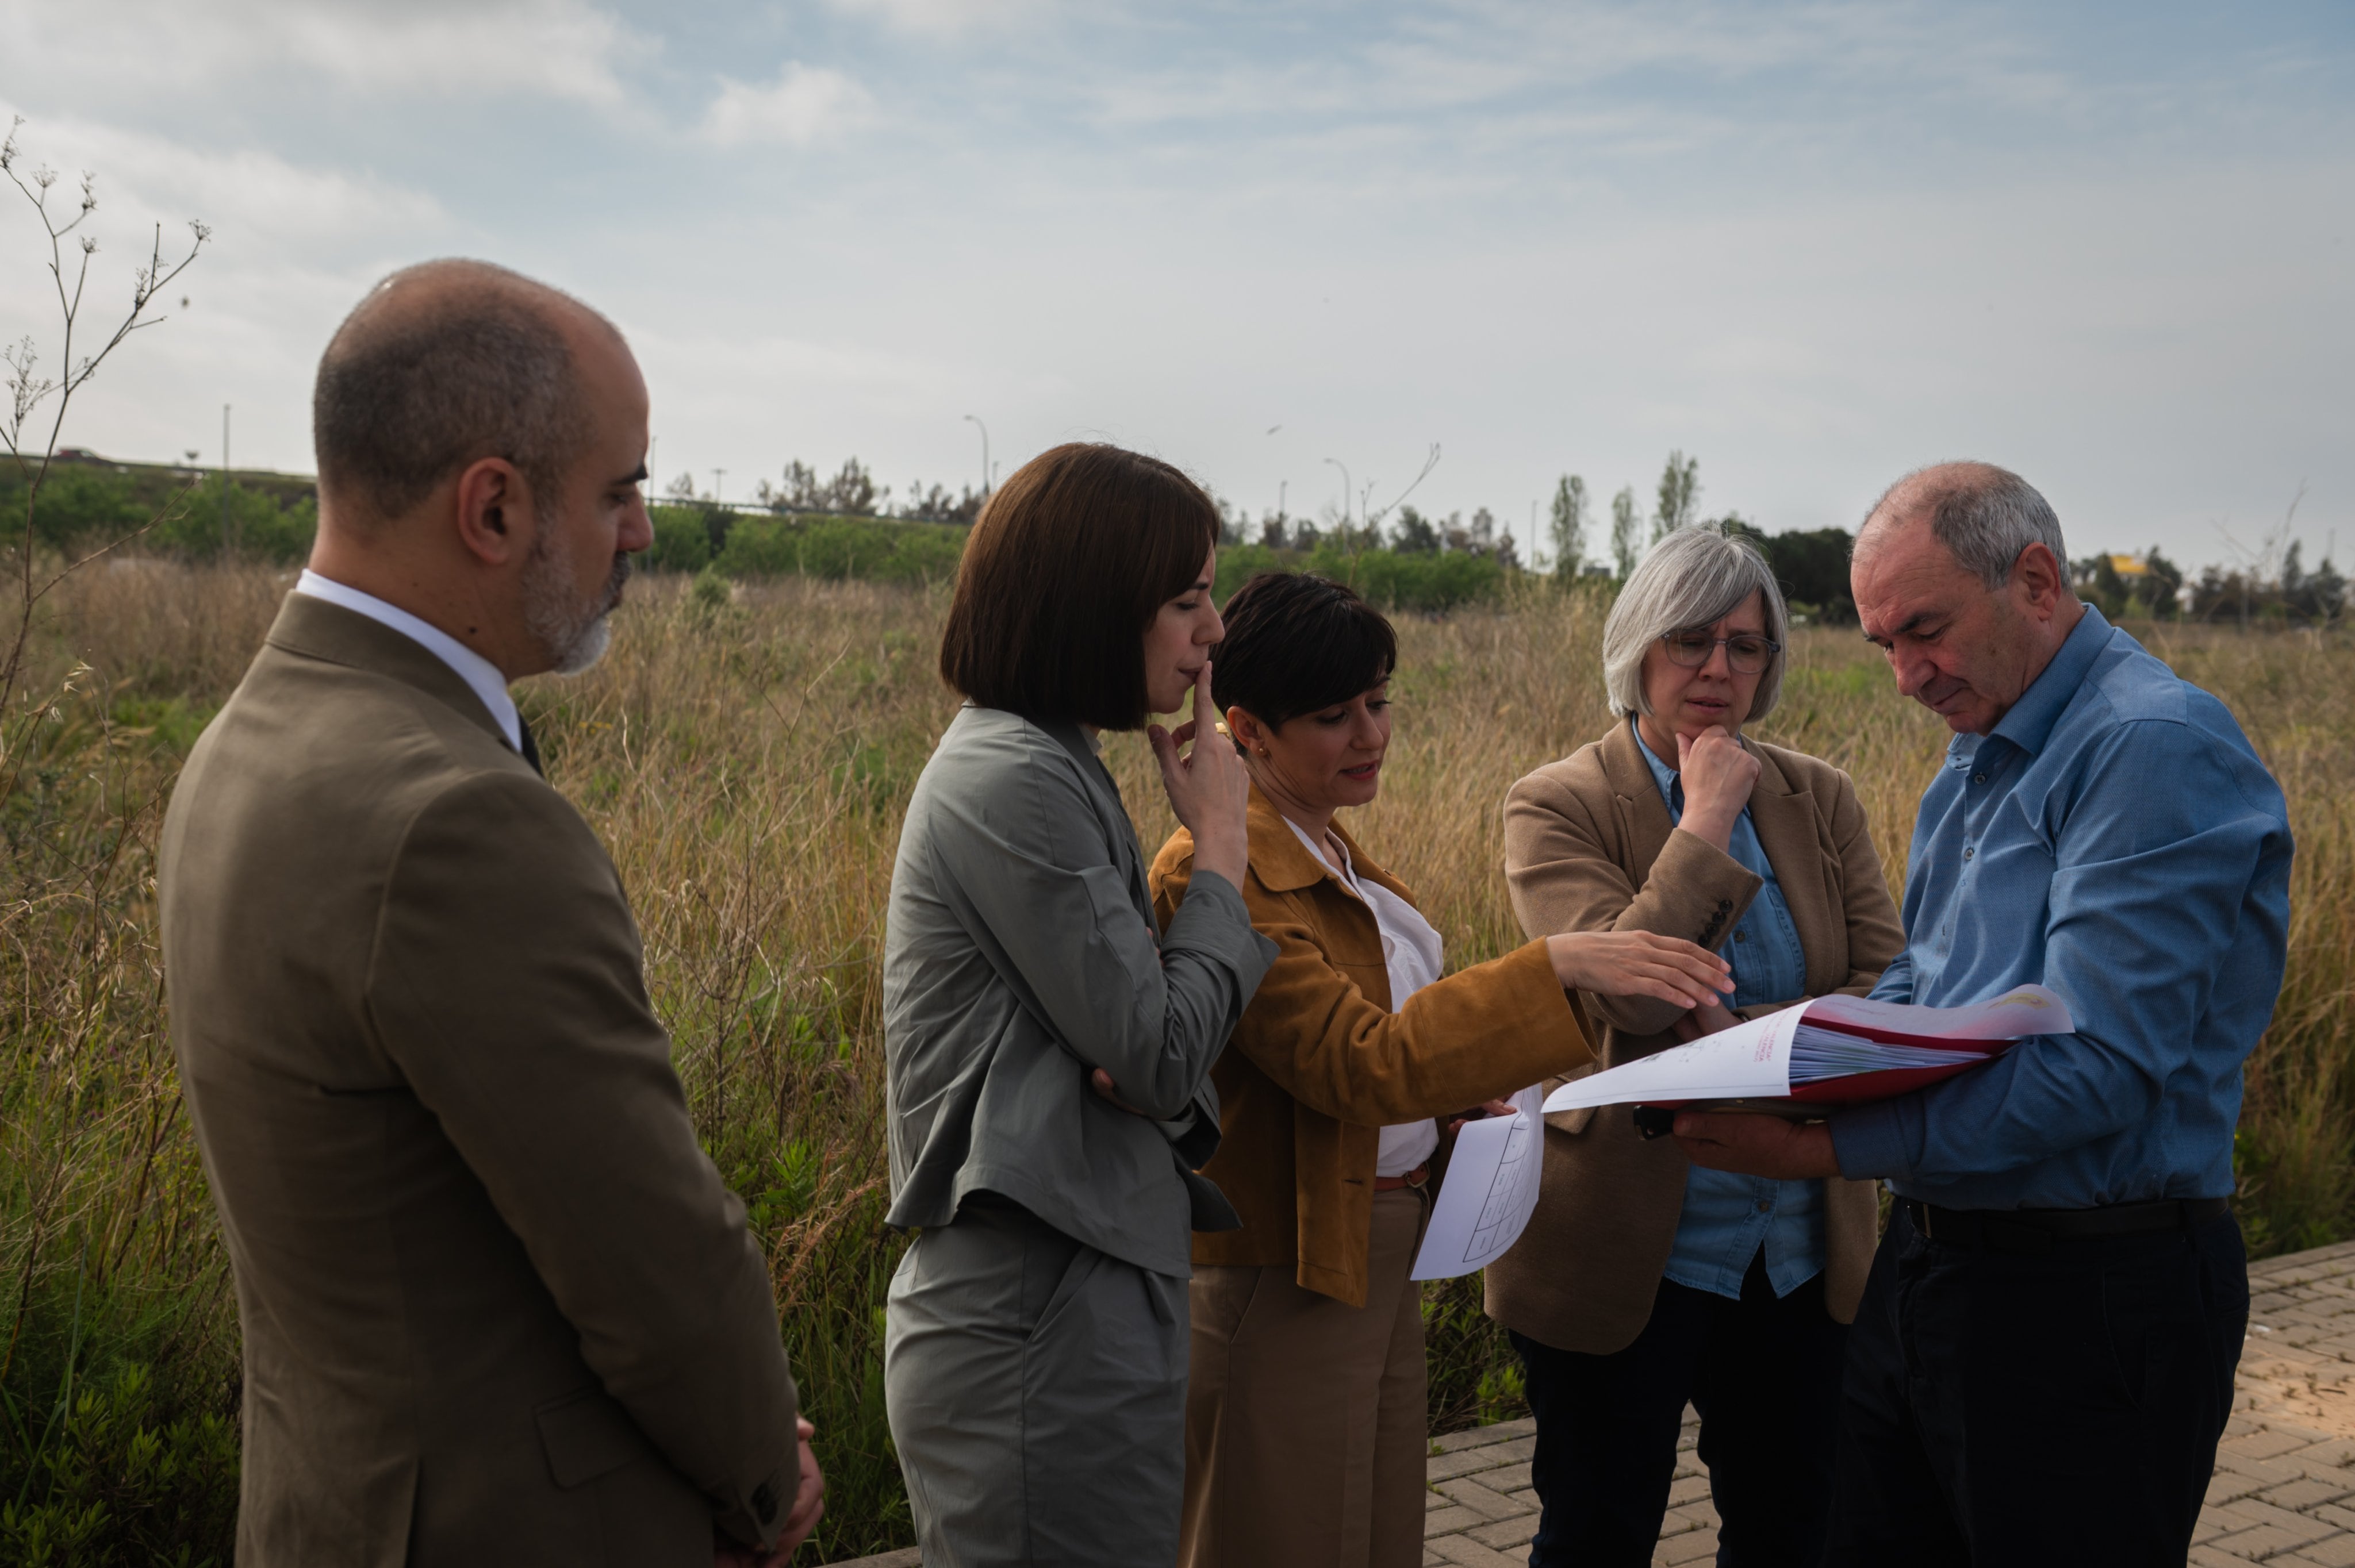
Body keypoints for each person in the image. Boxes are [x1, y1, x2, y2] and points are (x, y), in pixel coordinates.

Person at [158, 260, 821, 1565]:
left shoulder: (248, 738)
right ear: (494, 505)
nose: (639, 531)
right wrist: (759, 1470)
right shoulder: (455, 816)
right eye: (619, 488)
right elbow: (652, 1262)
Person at [1673, 463, 2293, 1566]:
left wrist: (1824, 1146)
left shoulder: (2150, 747)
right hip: (1932, 1270)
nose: (1909, 676)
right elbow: (1927, 982)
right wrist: (1777, 1049)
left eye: (1927, 631)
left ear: (2039, 580)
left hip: (2091, 1293)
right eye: (1884, 646)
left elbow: (2097, 1066)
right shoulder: (1980, 754)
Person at [1149, 571, 1737, 1568]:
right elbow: (1356, 1063)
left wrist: (1457, 1103)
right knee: (1285, 1537)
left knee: (1375, 1538)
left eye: (1378, 702)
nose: (1371, 735)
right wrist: (1557, 965)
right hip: (1288, 1263)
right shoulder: (1216, 869)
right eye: (1334, 716)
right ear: (1245, 729)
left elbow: (1385, 1052)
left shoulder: (1324, 847)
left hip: (1376, 1246)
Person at [881, 443, 1275, 1568]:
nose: (1211, 634)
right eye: (1187, 599)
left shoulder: (1052, 759)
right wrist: (1223, 853)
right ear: (1094, 604)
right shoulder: (1016, 774)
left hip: (1070, 1299)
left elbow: (1142, 1051)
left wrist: (1154, 1032)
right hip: (1036, 1318)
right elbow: (1155, 1055)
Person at [1483, 524, 1905, 1567]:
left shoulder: (1822, 795)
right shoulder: (1556, 803)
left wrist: (1729, 1036)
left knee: (1794, 1526)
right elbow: (1628, 1002)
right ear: (1639, 649)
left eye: (1746, 645)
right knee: (1597, 1529)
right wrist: (1708, 812)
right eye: (1690, 641)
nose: (1719, 668)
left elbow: (1889, 992)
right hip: (1627, 1243)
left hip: (1801, 1248)